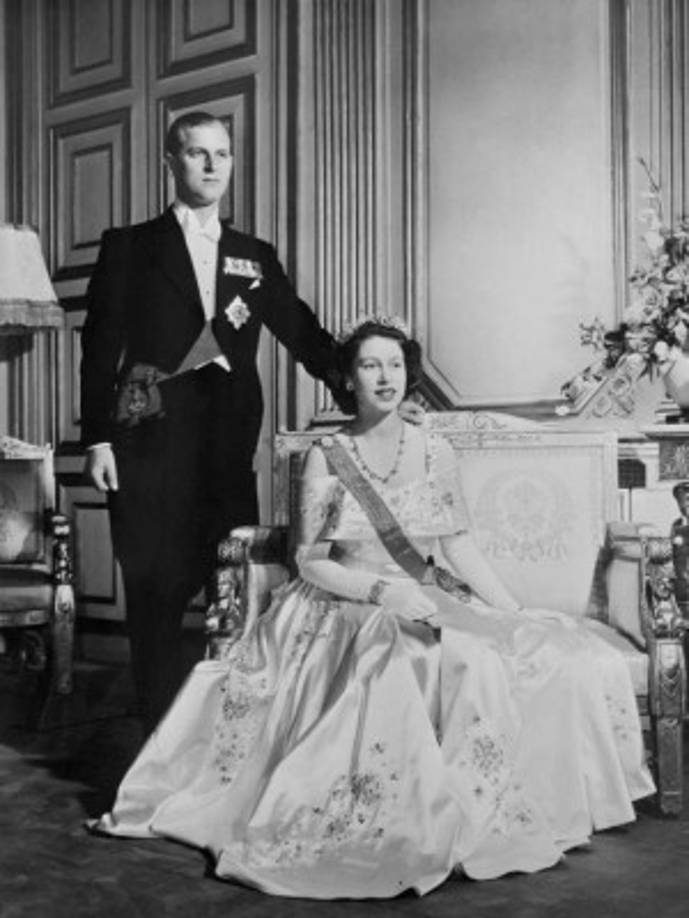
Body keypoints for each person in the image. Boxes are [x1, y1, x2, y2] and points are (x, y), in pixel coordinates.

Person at [89, 317, 655, 899]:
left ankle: (471, 807)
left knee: (494, 655)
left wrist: (510, 611)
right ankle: (400, 822)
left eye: (394, 364)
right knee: (395, 656)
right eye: (369, 365)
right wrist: (383, 593)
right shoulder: (328, 456)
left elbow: (459, 547)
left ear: (408, 372)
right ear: (349, 380)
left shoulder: (436, 450)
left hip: (421, 591)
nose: (385, 377)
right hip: (341, 603)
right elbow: (311, 562)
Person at [81, 112, 422, 733]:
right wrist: (98, 438)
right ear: (170, 161)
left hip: (226, 454)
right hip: (148, 452)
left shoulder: (254, 256)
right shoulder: (129, 247)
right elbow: (100, 348)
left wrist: (375, 396)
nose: (211, 166)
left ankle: (226, 738)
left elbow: (305, 337)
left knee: (234, 593)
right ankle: (157, 741)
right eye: (196, 153)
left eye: (222, 154)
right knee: (155, 601)